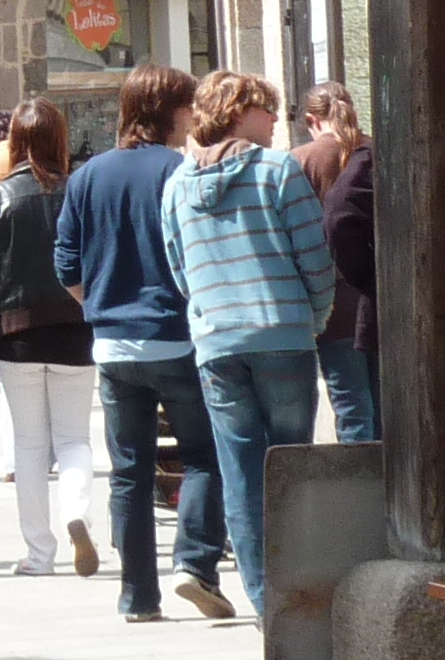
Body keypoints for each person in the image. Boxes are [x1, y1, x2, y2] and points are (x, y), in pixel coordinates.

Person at [58, 66, 232, 620]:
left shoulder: (88, 177)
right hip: (176, 338)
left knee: (129, 471)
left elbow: (65, 262)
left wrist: (100, 307)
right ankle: (194, 564)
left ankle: (137, 596)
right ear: (173, 113)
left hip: (112, 345)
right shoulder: (179, 171)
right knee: (205, 458)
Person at [161, 70, 333, 615]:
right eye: (267, 110)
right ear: (239, 111)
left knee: (240, 475)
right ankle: (299, 584)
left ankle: (265, 603)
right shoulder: (277, 171)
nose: (275, 121)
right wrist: (315, 317)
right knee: (290, 467)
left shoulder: (177, 184)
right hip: (282, 335)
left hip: (217, 343)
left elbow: (180, 269)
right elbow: (315, 257)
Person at [0, 101, 96, 577]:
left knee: (27, 446)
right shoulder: (77, 193)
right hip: (75, 327)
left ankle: (39, 554)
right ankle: (76, 512)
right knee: (73, 438)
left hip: (17, 332)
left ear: (17, 143)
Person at [299, 90, 379, 444]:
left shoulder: (302, 160)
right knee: (386, 404)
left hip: (333, 304)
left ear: (311, 121)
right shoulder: (376, 150)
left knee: (351, 407)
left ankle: (361, 493)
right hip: (376, 298)